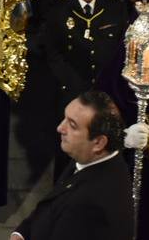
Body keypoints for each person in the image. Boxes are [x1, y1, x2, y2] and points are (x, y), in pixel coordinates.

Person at [10, 91, 133, 240]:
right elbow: (52, 203)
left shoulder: (90, 206)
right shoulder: (88, 157)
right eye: (65, 118)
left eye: (72, 125)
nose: (60, 128)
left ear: (99, 142)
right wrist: (22, 233)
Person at [40, 0, 129, 111]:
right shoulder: (58, 10)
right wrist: (72, 82)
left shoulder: (116, 8)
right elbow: (53, 52)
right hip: (71, 90)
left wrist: (111, 80)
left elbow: (122, 48)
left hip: (107, 89)